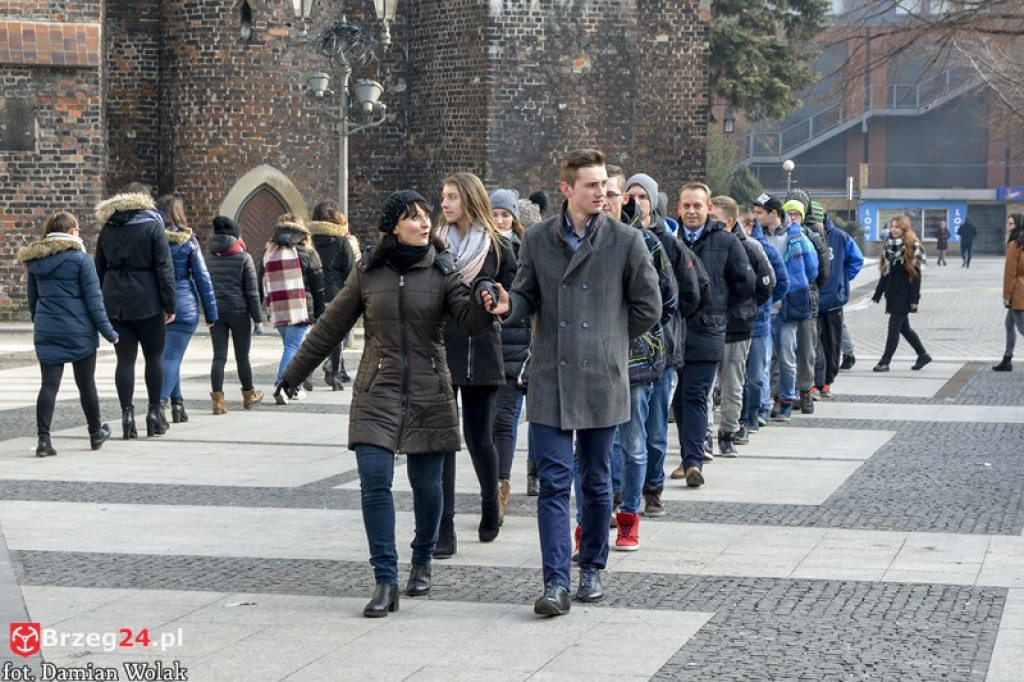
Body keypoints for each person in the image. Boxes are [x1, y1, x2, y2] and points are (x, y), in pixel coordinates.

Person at [277, 190, 495, 617]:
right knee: (374, 482)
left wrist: (486, 305)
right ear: (394, 226)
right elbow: (329, 326)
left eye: (426, 215)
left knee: (428, 488)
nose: (425, 222)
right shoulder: (369, 271)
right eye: (413, 217)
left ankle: (423, 558)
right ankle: (385, 579)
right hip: (378, 389)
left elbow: (468, 322)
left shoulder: (443, 270)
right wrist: (292, 374)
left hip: (430, 392)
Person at [485, 149, 661, 616]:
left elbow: (650, 307)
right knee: (555, 483)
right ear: (567, 190)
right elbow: (525, 293)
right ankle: (555, 583)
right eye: (591, 185)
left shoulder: (626, 240)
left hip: (603, 378)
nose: (601, 193)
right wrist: (508, 306)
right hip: (550, 378)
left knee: (599, 481)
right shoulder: (539, 238)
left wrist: (608, 339)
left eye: (605, 185)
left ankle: (592, 568)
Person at [434, 172, 516, 557]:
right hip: (442, 350)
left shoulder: (498, 248)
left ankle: (488, 504)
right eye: (443, 197)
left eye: (452, 197)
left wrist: (494, 298)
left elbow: (512, 297)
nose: (445, 204)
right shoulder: (435, 245)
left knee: (479, 438)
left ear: (469, 199)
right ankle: (444, 525)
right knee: (446, 440)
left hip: (483, 350)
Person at [670, 183, 754, 486]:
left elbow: (746, 285)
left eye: (697, 206)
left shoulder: (727, 242)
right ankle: (688, 456)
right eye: (686, 206)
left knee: (693, 395)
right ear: (679, 209)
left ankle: (694, 462)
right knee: (678, 401)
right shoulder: (669, 239)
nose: (692, 211)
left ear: (708, 209)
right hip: (673, 332)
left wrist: (721, 316)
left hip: (707, 332)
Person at [18, 212, 119, 457]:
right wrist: (110, 333)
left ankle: (44, 440)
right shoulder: (82, 260)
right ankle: (95, 433)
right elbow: (95, 302)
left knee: (49, 385)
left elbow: (33, 301)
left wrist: (42, 321)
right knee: (86, 384)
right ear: (72, 231)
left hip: (47, 329)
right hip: (79, 332)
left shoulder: (36, 259)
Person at [94, 186, 176, 439]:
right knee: (155, 356)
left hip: (116, 301)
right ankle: (154, 413)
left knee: (125, 360)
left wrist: (100, 303)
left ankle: (127, 416)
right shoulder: (153, 227)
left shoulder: (107, 229)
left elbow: (99, 268)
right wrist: (170, 304)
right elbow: (164, 267)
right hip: (148, 300)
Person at [156, 194, 218, 424]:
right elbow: (203, 278)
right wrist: (211, 313)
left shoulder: (153, 239)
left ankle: (177, 405)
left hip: (158, 305)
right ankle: (160, 406)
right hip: (185, 305)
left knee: (171, 356)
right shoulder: (188, 241)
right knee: (173, 357)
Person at [489, 188, 531, 521]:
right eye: (496, 214)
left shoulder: (524, 252)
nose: (501, 220)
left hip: (515, 350)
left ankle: (500, 484)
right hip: (485, 348)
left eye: (506, 215)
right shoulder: (479, 251)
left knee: (504, 418)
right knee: (486, 424)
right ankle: (492, 480)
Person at [259, 214, 325, 402]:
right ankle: (282, 385)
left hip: (278, 308)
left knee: (291, 347)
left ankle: (295, 386)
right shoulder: (308, 254)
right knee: (293, 347)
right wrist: (320, 312)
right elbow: (318, 287)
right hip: (300, 308)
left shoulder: (268, 252)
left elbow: (260, 278)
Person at [206, 216, 265, 412]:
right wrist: (258, 319)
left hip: (216, 312)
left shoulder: (208, 256)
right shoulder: (243, 257)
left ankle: (217, 401)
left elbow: (204, 287)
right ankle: (249, 396)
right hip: (239, 312)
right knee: (242, 356)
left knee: (219, 357)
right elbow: (252, 291)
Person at [814, 208, 864, 397]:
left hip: (833, 300)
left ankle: (827, 382)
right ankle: (815, 381)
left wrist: (842, 280)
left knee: (832, 344)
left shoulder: (839, 237)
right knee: (813, 344)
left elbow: (856, 260)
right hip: (813, 300)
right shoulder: (805, 235)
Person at [308, 200, 357, 390]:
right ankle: (334, 376)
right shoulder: (341, 240)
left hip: (313, 295)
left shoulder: (308, 240)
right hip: (336, 295)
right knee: (336, 337)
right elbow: (350, 270)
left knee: (314, 337)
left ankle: (307, 375)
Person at [872, 215, 931, 371]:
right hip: (892, 293)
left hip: (905, 295)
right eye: (892, 226)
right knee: (904, 329)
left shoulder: (913, 246)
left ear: (905, 229)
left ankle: (885, 362)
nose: (894, 230)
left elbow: (916, 275)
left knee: (893, 327)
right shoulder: (889, 246)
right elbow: (886, 273)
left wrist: (914, 298)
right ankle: (923, 355)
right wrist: (878, 294)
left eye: (897, 227)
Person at [993, 213, 1024, 372]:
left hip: (1017, 292)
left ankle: (1007, 360)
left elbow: (1010, 273)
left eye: (1011, 224)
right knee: (1009, 324)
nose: (1008, 227)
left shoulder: (1014, 244)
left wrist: (1006, 296)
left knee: (1021, 327)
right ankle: (1007, 359)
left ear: (1017, 225)